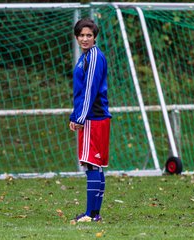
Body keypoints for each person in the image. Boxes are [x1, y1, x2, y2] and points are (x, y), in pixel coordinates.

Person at [69, 18, 112, 223]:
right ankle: (94, 214)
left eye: (89, 35)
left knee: (91, 164)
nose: (85, 39)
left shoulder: (94, 56)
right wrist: (74, 114)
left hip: (93, 118)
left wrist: (79, 117)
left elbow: (89, 91)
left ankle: (90, 214)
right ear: (76, 37)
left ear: (95, 37)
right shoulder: (85, 57)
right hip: (93, 117)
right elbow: (81, 92)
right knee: (94, 166)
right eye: (82, 35)